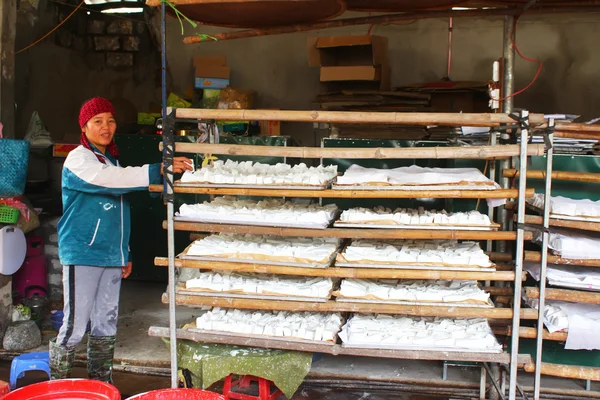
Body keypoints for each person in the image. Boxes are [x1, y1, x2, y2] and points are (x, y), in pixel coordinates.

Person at [50, 97, 192, 382]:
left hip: (110, 255)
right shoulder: (79, 158)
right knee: (75, 325)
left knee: (106, 323)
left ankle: (102, 383)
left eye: (110, 120)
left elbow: (120, 212)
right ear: (85, 127)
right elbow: (111, 180)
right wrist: (158, 168)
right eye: (98, 121)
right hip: (83, 252)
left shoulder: (109, 160)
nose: (106, 127)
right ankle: (58, 385)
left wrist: (123, 252)